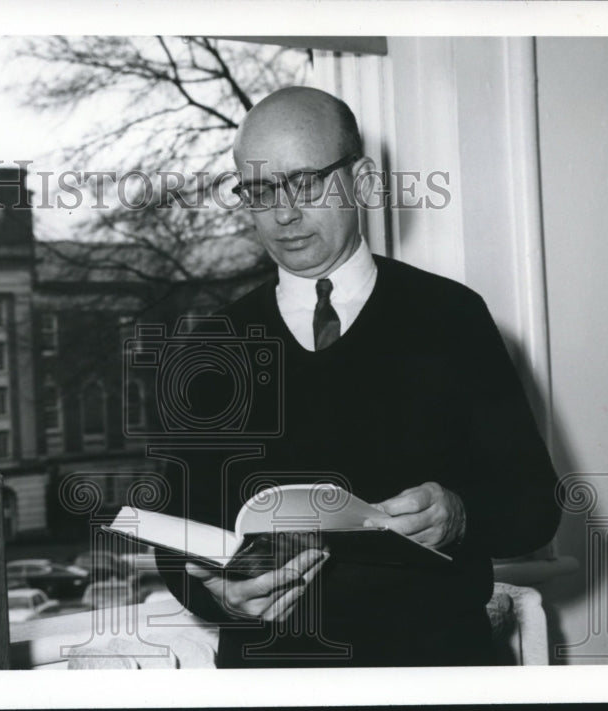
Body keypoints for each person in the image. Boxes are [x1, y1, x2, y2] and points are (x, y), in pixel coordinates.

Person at [155, 87, 561, 667]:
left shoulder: (452, 317)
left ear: (364, 181)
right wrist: (215, 595)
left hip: (435, 670)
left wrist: (460, 512)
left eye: (306, 183)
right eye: (261, 190)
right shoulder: (211, 347)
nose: (284, 213)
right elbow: (178, 534)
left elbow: (536, 507)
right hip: (272, 677)